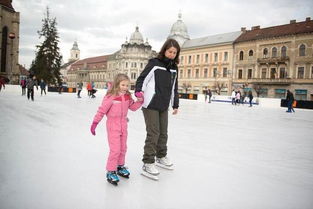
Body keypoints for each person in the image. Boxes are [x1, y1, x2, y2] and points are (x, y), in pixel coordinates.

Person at [135, 38, 180, 178]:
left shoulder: (174, 68)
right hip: (150, 103)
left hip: (163, 104)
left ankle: (161, 156)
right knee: (153, 132)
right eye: (170, 51)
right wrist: (139, 91)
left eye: (174, 52)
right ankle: (148, 162)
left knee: (163, 132)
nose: (172, 54)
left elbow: (174, 87)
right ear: (164, 50)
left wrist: (175, 104)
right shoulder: (155, 63)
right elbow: (142, 78)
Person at [90, 73, 143, 186]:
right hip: (112, 125)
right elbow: (102, 110)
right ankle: (110, 171)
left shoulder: (128, 96)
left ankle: (120, 166)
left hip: (123, 124)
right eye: (123, 85)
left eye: (127, 85)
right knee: (115, 150)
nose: (125, 87)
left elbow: (133, 108)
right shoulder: (111, 96)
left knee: (123, 148)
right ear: (117, 84)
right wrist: (95, 123)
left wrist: (140, 101)